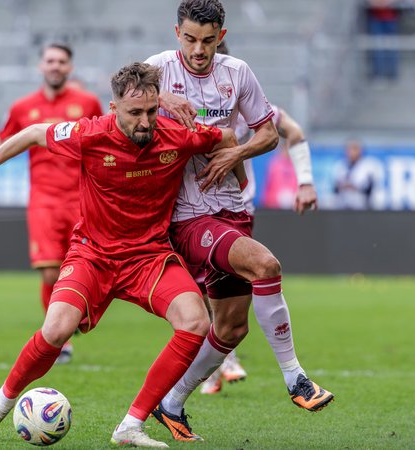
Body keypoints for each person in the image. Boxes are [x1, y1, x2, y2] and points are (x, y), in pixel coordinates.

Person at [0, 62, 240, 448]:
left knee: (195, 321)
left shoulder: (177, 134)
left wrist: (235, 167)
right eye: (134, 113)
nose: (145, 122)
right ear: (114, 109)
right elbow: (32, 133)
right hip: (93, 254)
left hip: (149, 257)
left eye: (150, 112)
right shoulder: (89, 133)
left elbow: (228, 136)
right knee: (56, 329)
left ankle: (131, 424)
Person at [145, 0, 333, 443]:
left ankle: (170, 403)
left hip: (232, 208)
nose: (198, 50)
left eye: (207, 41)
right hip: (187, 214)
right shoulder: (156, 70)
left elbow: (270, 131)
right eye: (190, 39)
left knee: (231, 326)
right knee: (265, 265)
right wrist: (159, 96)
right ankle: (296, 379)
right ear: (177, 34)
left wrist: (237, 151)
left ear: (220, 36)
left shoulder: (238, 73)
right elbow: (116, 102)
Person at [197, 41, 320, 395]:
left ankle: (226, 358)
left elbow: (293, 132)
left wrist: (307, 182)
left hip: (236, 210)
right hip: (190, 211)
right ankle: (221, 361)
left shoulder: (254, 107)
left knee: (217, 289)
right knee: (201, 291)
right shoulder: (184, 104)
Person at [0, 43, 103, 364]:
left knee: (88, 268)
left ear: (70, 68)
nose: (55, 66)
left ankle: (74, 316)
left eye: (61, 61)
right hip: (43, 199)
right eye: (50, 60)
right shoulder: (22, 107)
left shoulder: (87, 102)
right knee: (49, 273)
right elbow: (3, 142)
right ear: (41, 66)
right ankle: (61, 340)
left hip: (83, 198)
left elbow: (107, 139)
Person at [332, 138, 376, 210]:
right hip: (342, 207)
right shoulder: (340, 165)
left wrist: (353, 186)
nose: (351, 152)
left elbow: (369, 189)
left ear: (360, 150)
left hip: (362, 208)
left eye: (354, 149)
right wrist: (343, 186)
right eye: (348, 149)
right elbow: (335, 188)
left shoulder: (368, 166)